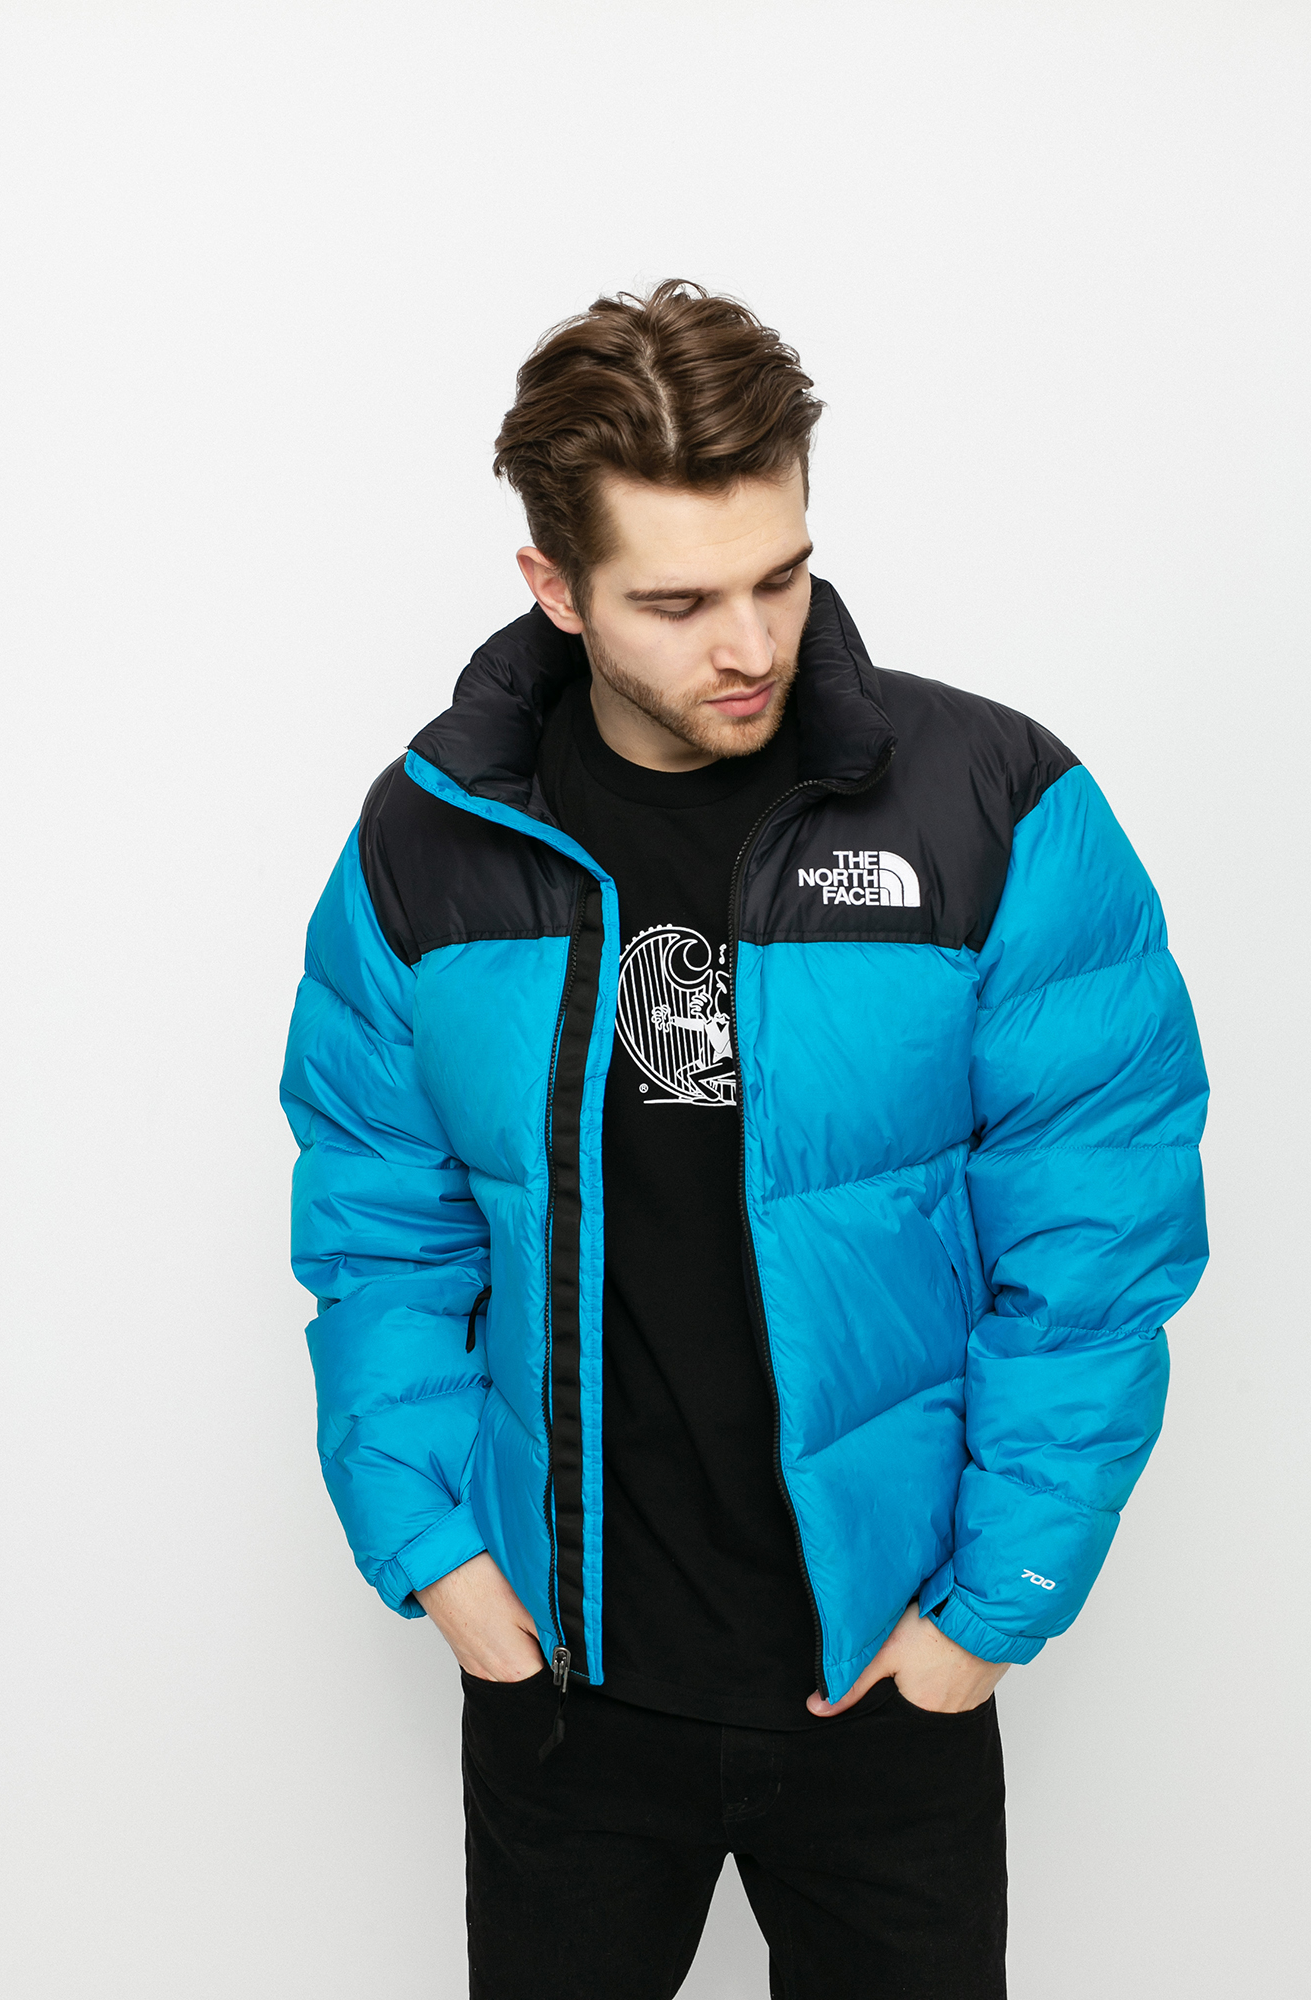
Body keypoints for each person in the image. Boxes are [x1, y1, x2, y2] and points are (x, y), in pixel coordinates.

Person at [279, 281, 1209, 1998]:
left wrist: (992, 1608)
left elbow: (1099, 1236)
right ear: (555, 588)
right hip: (566, 1691)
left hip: (886, 1680)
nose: (752, 645)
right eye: (678, 600)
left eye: (780, 576)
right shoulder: (430, 842)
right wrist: (438, 1558)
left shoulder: (996, 806)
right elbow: (381, 1228)